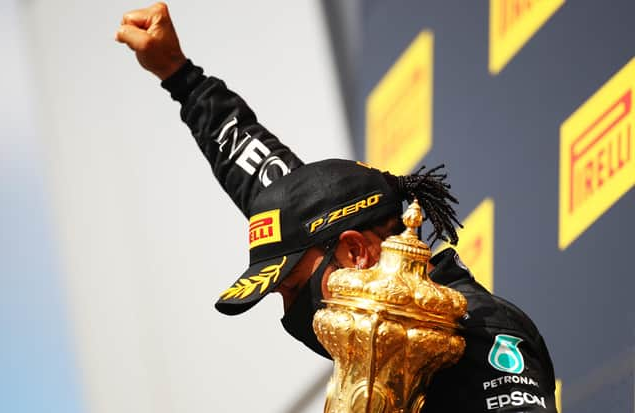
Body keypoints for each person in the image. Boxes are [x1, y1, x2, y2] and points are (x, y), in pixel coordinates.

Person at [115, 3, 558, 412]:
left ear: (355, 253)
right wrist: (180, 77)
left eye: (291, 288)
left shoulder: (477, 335)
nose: (290, 312)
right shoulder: (340, 267)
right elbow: (276, 189)